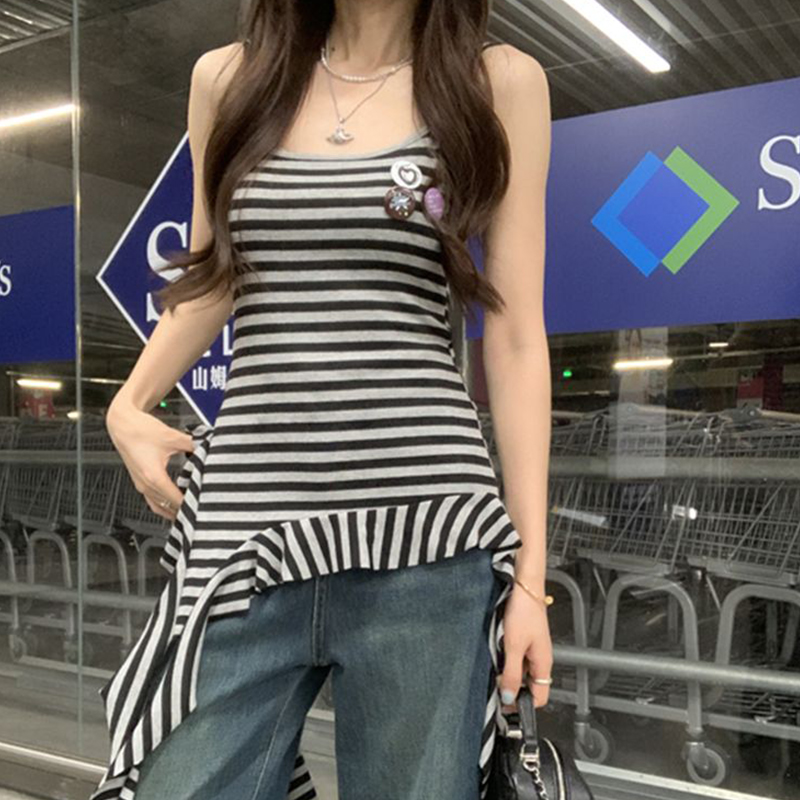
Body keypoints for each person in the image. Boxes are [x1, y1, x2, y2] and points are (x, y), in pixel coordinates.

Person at [92, 1, 552, 799]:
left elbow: (513, 339)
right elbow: (214, 279)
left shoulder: (496, 82)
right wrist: (127, 405)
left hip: (425, 536)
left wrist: (530, 580)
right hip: (248, 536)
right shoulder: (229, 79)